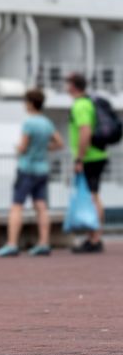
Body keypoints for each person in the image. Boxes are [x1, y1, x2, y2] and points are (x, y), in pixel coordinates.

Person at [0, 87, 61, 256]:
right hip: (42, 169)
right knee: (41, 206)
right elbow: (59, 143)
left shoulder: (29, 122)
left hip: (27, 168)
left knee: (17, 206)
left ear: (31, 103)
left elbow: (23, 146)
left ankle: (11, 244)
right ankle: (44, 242)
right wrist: (45, 147)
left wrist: (19, 149)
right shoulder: (47, 122)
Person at [65, 72, 108, 253]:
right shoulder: (87, 102)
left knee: (93, 196)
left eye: (68, 84)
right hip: (96, 154)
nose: (66, 88)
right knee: (94, 195)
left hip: (90, 156)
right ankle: (94, 236)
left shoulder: (80, 105)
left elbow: (85, 131)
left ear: (74, 86)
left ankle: (95, 238)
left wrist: (79, 158)